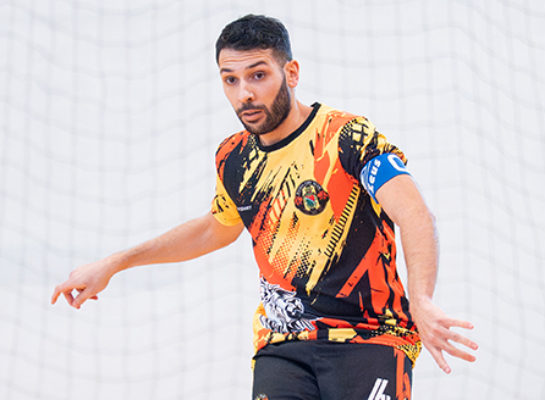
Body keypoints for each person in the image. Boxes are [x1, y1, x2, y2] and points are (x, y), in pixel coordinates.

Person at [51, 14, 477, 400]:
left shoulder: (346, 137)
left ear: (291, 73)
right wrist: (115, 263)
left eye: (258, 75)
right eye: (230, 80)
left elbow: (414, 213)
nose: (245, 94)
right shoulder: (233, 158)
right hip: (282, 346)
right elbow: (215, 228)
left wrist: (421, 299)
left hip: (369, 338)